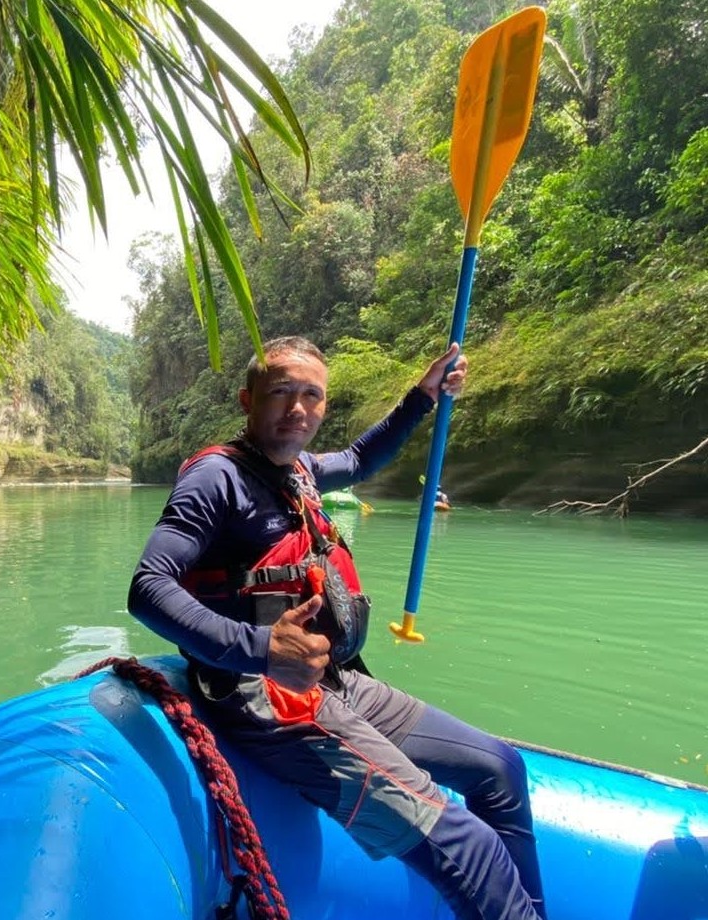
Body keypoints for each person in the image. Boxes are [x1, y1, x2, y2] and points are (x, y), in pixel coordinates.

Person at [128, 336, 546, 920]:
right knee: (469, 847)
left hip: (334, 680)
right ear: (249, 400)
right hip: (263, 697)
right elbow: (148, 587)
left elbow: (359, 460)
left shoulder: (300, 471)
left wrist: (422, 398)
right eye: (281, 393)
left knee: (501, 770)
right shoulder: (216, 479)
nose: (297, 408)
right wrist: (260, 649)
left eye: (311, 396)